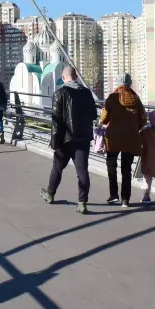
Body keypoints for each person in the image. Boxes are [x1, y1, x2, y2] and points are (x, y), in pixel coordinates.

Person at [39, 66, 98, 214]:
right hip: (83, 138)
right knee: (82, 171)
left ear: (63, 78)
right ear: (76, 77)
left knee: (57, 168)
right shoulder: (86, 93)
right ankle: (82, 202)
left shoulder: (60, 93)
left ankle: (50, 194)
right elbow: (93, 115)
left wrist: (54, 141)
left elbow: (56, 121)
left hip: (65, 139)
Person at [100, 72, 146, 208]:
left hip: (113, 137)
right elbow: (143, 119)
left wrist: (105, 123)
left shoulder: (112, 98)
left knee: (111, 165)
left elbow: (104, 118)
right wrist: (133, 128)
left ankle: (113, 195)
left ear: (118, 83)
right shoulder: (136, 99)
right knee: (126, 169)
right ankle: (125, 199)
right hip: (131, 138)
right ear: (129, 83)